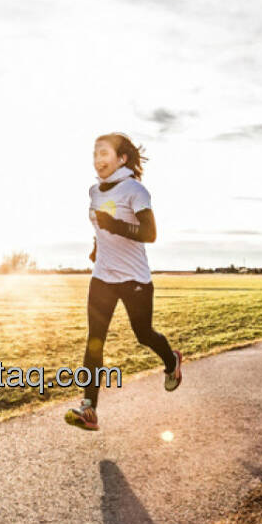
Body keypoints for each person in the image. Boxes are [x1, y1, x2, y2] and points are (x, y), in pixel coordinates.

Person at [65, 132, 183, 431]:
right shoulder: (94, 191)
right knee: (94, 343)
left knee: (143, 335)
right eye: (95, 153)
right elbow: (100, 227)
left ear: (122, 159)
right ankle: (88, 409)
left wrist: (114, 226)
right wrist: (97, 246)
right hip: (103, 277)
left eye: (104, 153)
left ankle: (172, 361)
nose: (98, 159)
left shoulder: (136, 190)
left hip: (135, 279)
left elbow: (150, 234)